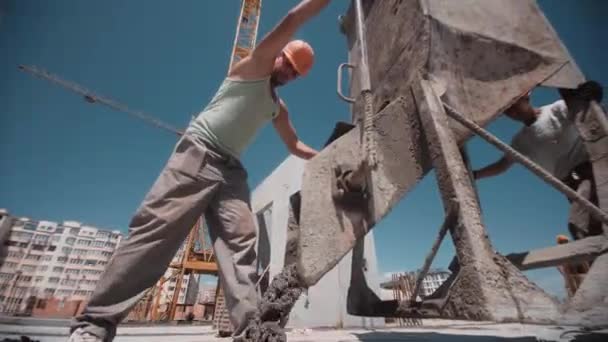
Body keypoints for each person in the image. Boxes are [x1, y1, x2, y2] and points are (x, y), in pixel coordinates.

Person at [68, 1, 332, 341]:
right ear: (278, 54)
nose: (288, 73)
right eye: (289, 63)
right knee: (155, 233)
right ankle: (94, 326)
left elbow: (294, 145)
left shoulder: (276, 108)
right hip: (198, 153)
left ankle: (250, 330)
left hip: (230, 172)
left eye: (296, 74)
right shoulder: (253, 65)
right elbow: (293, 19)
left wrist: (326, 155)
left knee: (242, 245)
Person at [473, 82, 604, 240]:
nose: (512, 111)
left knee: (579, 225)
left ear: (526, 95)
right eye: (506, 111)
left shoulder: (557, 109)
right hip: (569, 186)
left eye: (513, 104)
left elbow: (587, 111)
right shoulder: (520, 141)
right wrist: (475, 175)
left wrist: (591, 94)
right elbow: (501, 165)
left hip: (589, 171)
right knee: (594, 228)